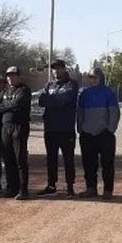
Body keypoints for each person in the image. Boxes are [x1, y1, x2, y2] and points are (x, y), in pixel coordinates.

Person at [36, 59, 79, 197]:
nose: (56, 71)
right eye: (54, 68)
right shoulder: (49, 85)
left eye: (58, 68)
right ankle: (51, 185)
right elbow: (41, 100)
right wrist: (55, 100)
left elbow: (66, 98)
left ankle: (70, 187)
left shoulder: (72, 84)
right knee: (51, 159)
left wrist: (51, 100)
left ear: (64, 69)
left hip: (66, 128)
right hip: (50, 128)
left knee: (68, 159)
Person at [76, 67, 120, 198]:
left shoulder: (109, 93)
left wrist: (110, 129)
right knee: (89, 164)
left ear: (101, 78)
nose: (92, 79)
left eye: (95, 77)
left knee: (107, 164)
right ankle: (91, 188)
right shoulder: (85, 93)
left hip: (105, 134)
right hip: (87, 134)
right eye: (90, 77)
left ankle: (108, 190)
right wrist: (80, 128)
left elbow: (114, 113)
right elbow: (80, 112)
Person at [0, 66, 32, 200]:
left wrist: (6, 106)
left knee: (20, 158)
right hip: (6, 127)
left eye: (13, 75)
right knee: (8, 158)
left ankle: (23, 189)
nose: (10, 78)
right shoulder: (5, 90)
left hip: (19, 126)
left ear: (18, 76)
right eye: (8, 76)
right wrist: (9, 106)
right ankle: (12, 187)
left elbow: (18, 104)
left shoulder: (24, 90)